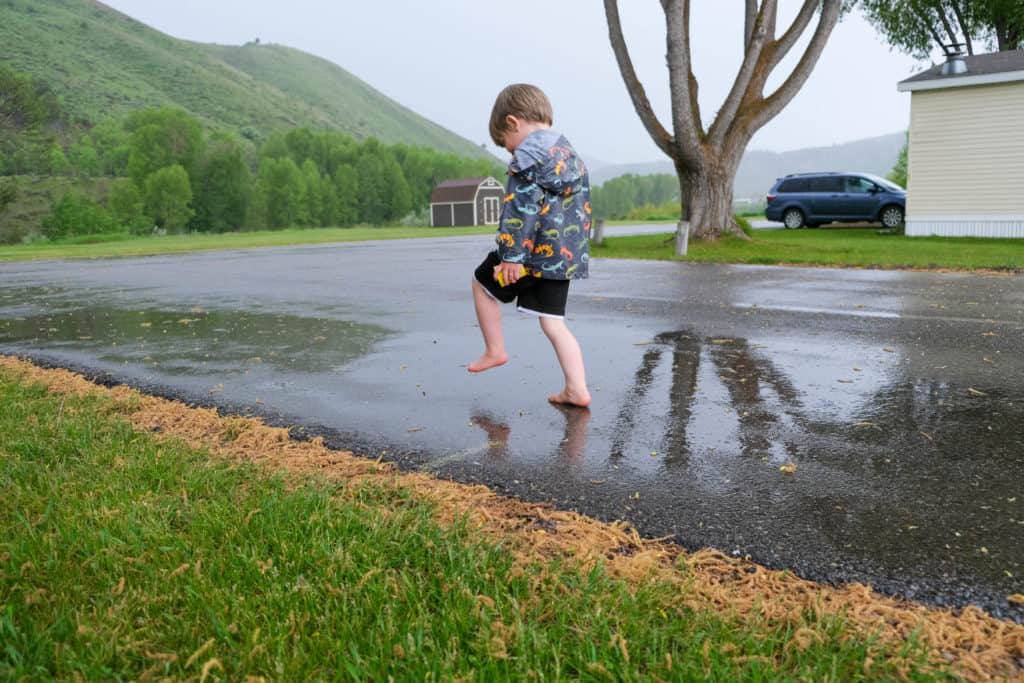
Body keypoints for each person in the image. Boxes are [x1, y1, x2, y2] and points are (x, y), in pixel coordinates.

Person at [468, 84, 592, 409]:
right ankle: (576, 388)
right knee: (553, 324)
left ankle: (495, 350)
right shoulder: (571, 155)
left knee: (482, 285)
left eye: (506, 145)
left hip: (528, 253)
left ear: (513, 122)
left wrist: (510, 256)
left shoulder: (528, 158)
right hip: (562, 257)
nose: (510, 153)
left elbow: (520, 209)